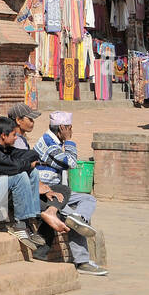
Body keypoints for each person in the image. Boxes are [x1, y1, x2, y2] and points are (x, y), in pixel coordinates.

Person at [0, 116, 67, 252]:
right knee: (19, 175)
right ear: (3, 136)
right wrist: (25, 164)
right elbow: (13, 167)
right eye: (13, 135)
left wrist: (26, 164)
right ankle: (20, 225)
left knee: (32, 172)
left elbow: (32, 154)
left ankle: (29, 221)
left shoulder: (3, 147)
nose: (16, 138)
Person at [33, 112, 107, 275]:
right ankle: (81, 262)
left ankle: (79, 218)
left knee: (87, 200)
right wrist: (69, 141)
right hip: (47, 191)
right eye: (69, 128)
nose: (71, 131)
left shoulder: (55, 141)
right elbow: (72, 163)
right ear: (62, 128)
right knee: (71, 216)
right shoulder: (48, 142)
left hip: (58, 189)